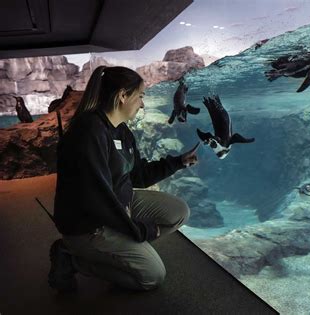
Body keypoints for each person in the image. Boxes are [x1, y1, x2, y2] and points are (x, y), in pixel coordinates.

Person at [49, 66, 199, 292]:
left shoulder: (121, 131)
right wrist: (139, 231)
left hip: (118, 207)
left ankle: (123, 251)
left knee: (179, 212)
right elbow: (96, 198)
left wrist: (178, 162)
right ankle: (72, 259)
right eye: (140, 96)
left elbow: (138, 175)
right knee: (152, 276)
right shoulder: (89, 131)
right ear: (122, 96)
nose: (142, 104)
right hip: (89, 225)